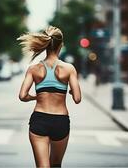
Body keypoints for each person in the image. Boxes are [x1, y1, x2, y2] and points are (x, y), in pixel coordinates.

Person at [17, 26, 81, 167]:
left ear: (45, 44)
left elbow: (22, 95)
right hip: (61, 121)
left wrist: (36, 97)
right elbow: (77, 98)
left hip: (39, 120)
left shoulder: (33, 69)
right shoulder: (69, 69)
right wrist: (70, 91)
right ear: (61, 45)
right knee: (56, 165)